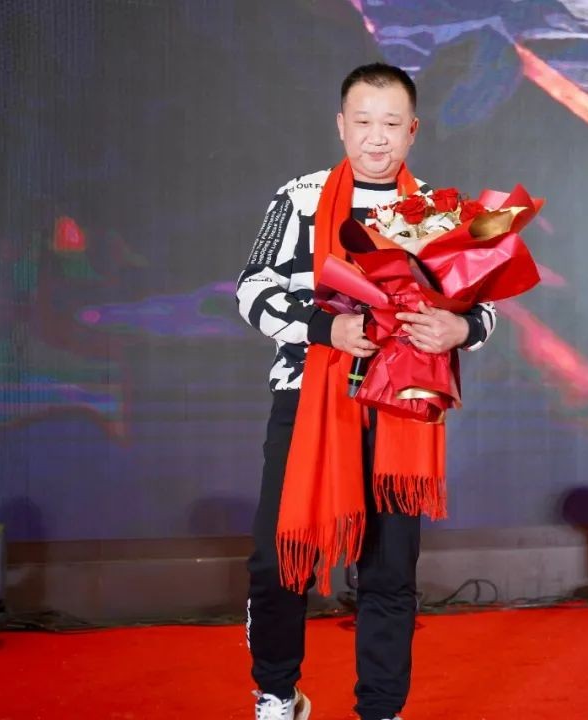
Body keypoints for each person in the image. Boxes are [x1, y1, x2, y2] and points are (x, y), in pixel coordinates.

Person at [236, 62, 496, 720]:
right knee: (278, 560)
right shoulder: (299, 197)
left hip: (401, 407)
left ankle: (381, 709)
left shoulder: (436, 210)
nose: (376, 137)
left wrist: (459, 327)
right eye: (363, 121)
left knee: (389, 570)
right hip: (307, 400)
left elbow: (483, 307)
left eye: (390, 123)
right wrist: (326, 328)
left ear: (412, 131)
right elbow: (252, 290)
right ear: (340, 125)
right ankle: (277, 694)